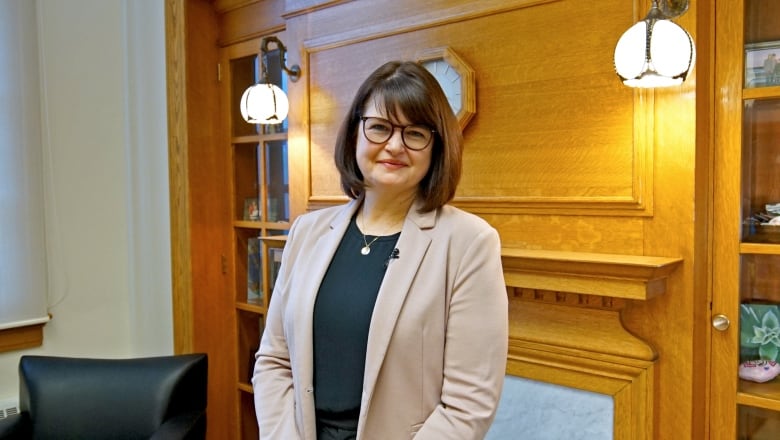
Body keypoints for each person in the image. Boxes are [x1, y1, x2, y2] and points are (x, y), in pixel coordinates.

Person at [252, 60, 508, 439]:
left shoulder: (470, 243)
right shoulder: (308, 232)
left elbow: (468, 404)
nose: (394, 145)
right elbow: (273, 361)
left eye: (415, 133)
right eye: (380, 127)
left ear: (436, 147)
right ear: (356, 132)